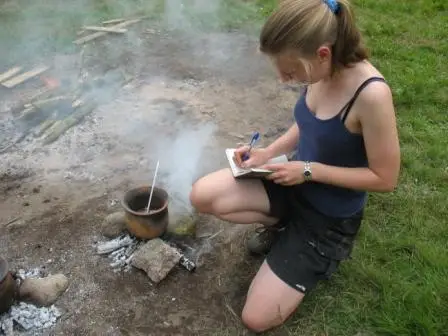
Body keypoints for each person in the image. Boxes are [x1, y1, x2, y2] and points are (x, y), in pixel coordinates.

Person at [189, 0, 400, 333]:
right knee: (202, 195)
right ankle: (285, 227)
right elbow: (308, 122)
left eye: (289, 72)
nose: (282, 78)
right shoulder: (319, 71)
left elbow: (385, 178)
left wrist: (307, 170)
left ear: (323, 53)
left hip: (328, 217)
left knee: (256, 319)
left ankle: (319, 253)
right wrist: (267, 154)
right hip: (295, 182)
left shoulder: (371, 95)